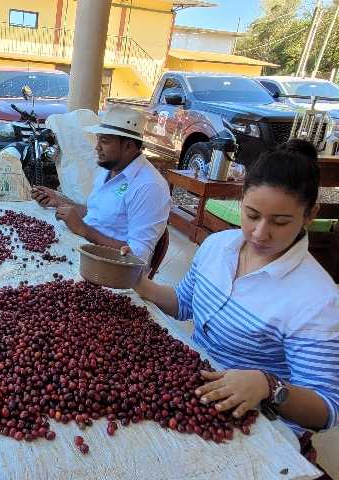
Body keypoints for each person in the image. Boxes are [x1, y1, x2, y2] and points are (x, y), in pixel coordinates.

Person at [130, 139, 338, 461]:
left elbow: (325, 410)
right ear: (240, 198)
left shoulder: (318, 299)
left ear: (310, 216)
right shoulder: (218, 246)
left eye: (280, 222)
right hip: (190, 390)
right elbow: (184, 303)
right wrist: (138, 283)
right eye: (252, 214)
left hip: (253, 429)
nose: (259, 233)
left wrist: (269, 386)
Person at [31, 105, 170, 264]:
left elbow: (136, 257)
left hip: (109, 269)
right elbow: (96, 214)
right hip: (83, 248)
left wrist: (84, 230)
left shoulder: (149, 187)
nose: (97, 147)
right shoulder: (110, 167)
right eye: (98, 139)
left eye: (104, 141)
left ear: (128, 146)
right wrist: (58, 200)